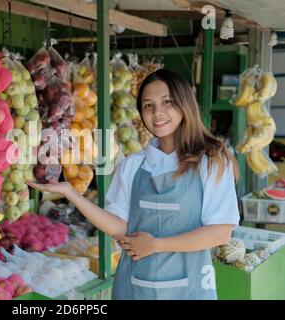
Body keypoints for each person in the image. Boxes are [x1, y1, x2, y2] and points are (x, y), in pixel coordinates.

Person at [28, 69, 240, 300]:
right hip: (135, 287)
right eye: (148, 105)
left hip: (190, 289)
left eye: (167, 102)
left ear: (184, 104)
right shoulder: (133, 165)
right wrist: (71, 193)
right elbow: (120, 227)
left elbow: (220, 233)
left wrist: (156, 245)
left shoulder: (210, 162)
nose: (157, 112)